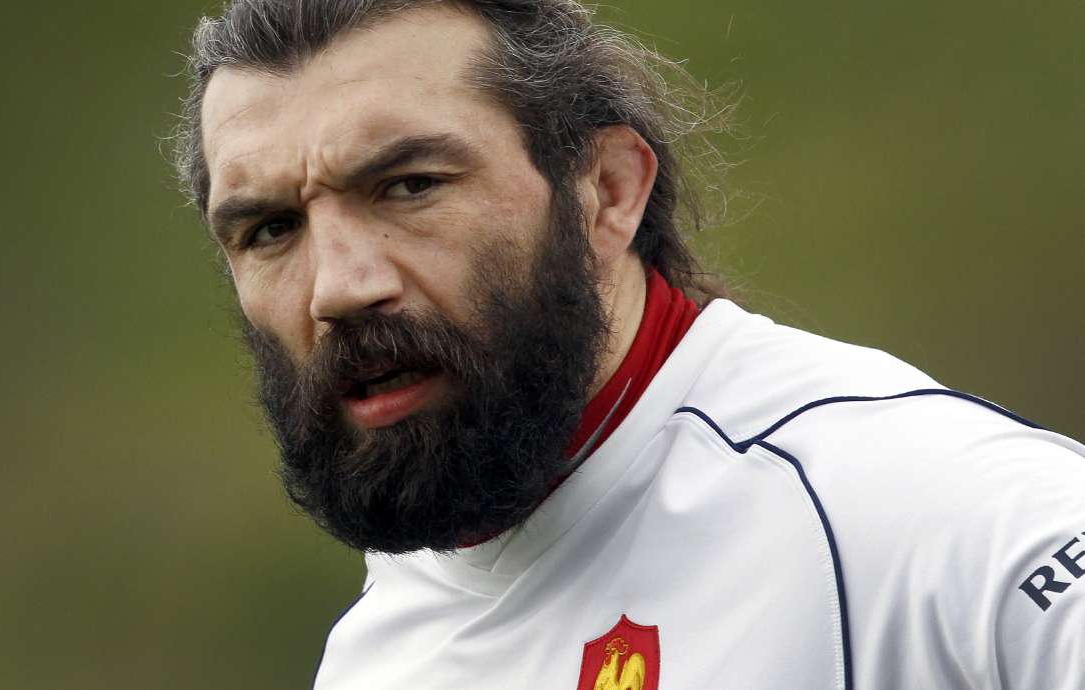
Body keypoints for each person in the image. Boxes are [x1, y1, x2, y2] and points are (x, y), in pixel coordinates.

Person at [171, 1, 1085, 687]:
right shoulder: (379, 655)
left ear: (606, 191)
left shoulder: (914, 510)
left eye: (409, 186)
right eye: (268, 230)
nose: (338, 285)